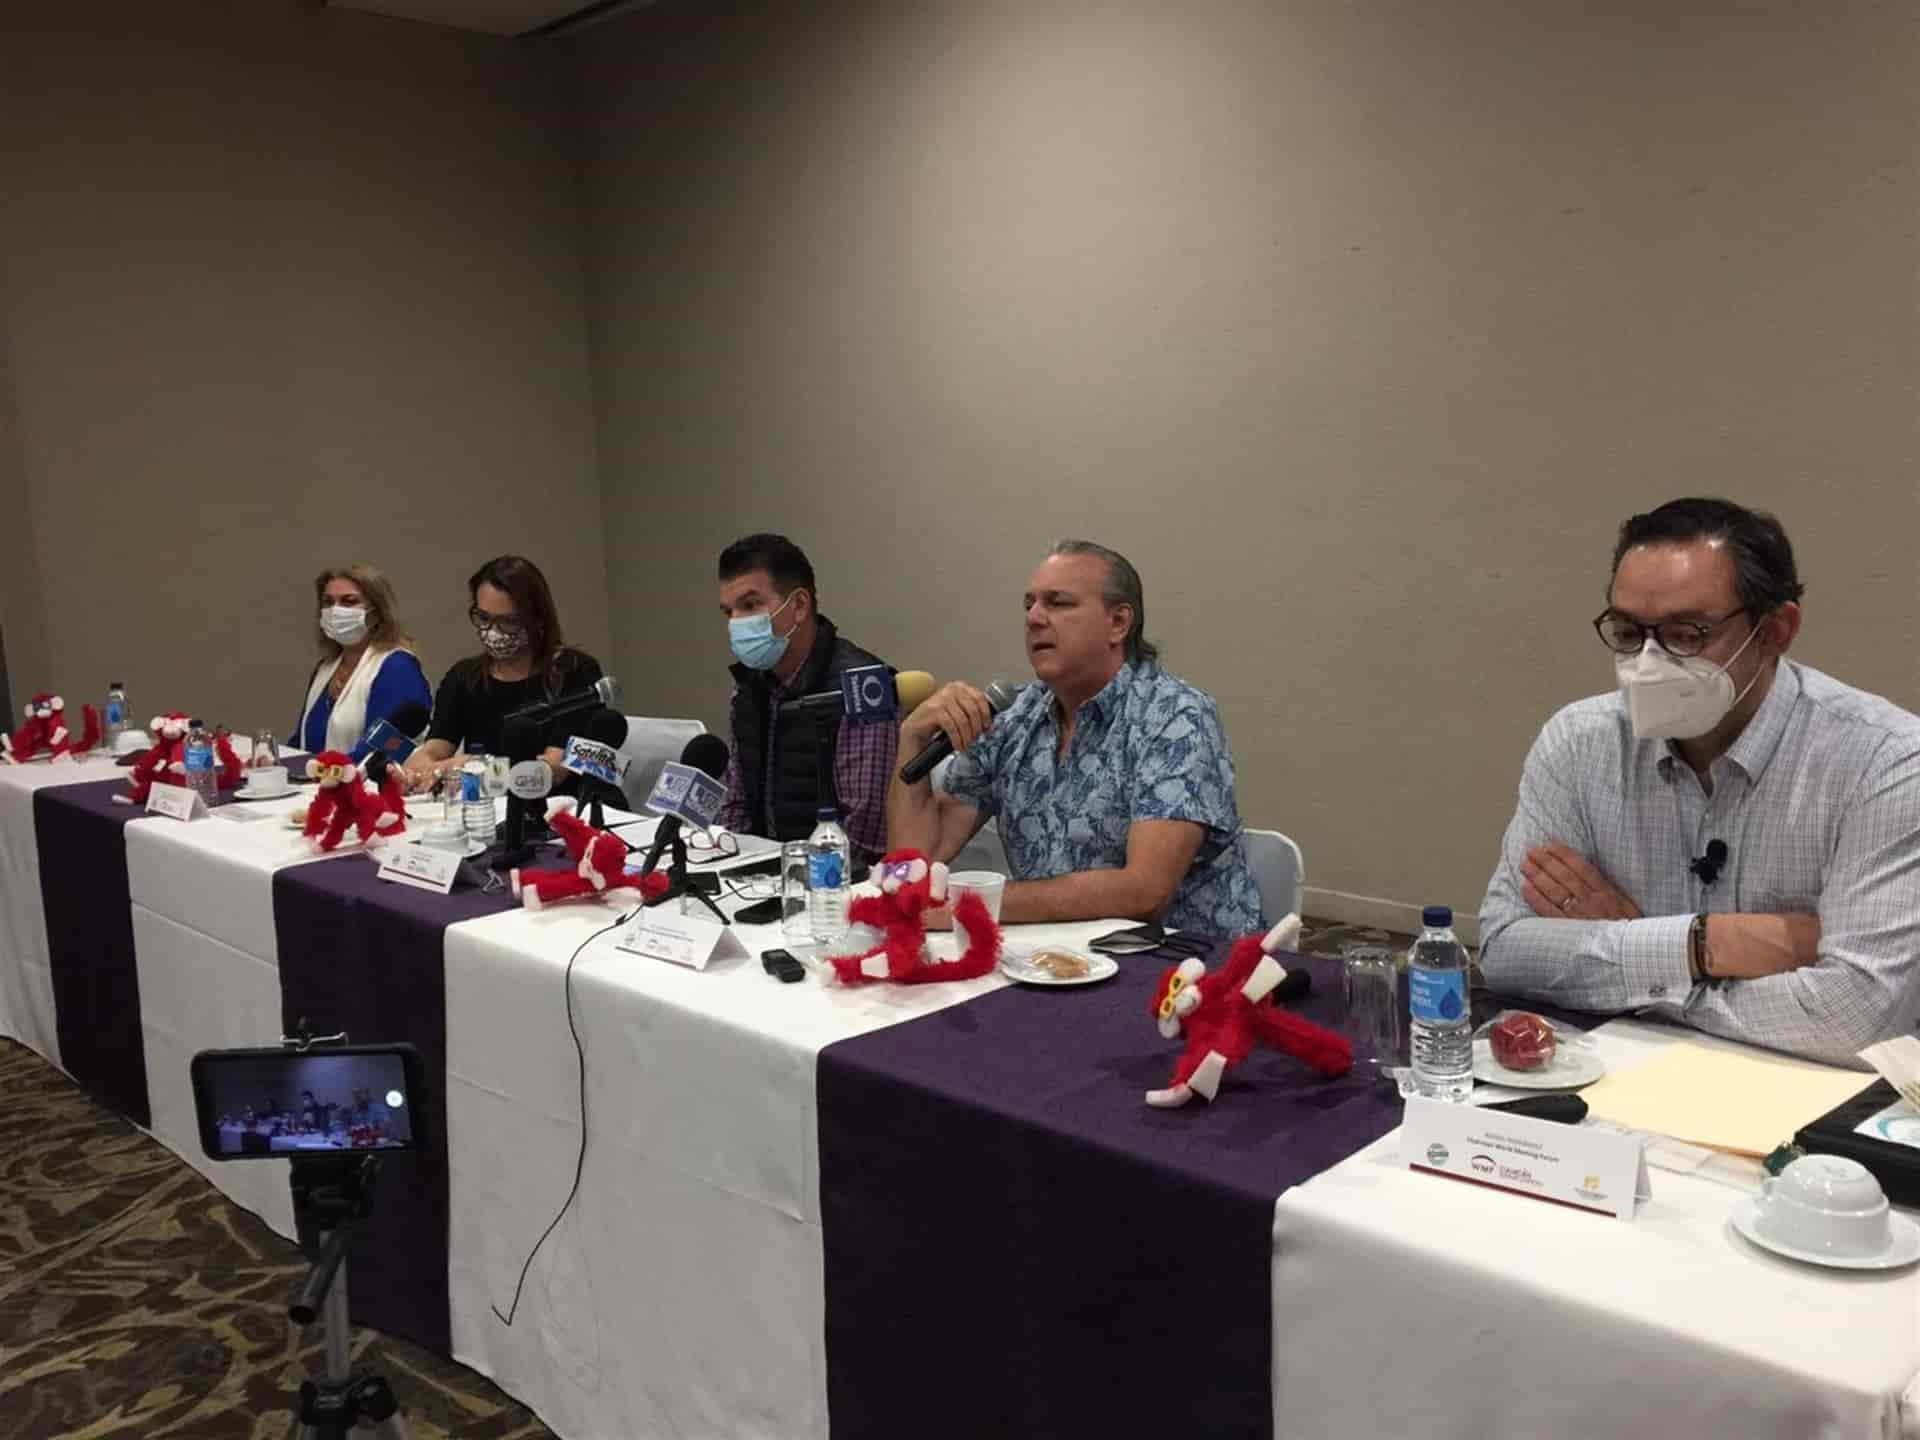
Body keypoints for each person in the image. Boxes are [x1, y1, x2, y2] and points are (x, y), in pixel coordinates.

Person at [1479, 498, 1920, 1068]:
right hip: (1621, 1072)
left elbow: (1856, 1017)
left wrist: (1639, 963)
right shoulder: (1578, 741)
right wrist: (1709, 943)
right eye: (1628, 632)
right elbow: (1505, 952)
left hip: (1812, 1089)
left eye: (1686, 634)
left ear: (1775, 631)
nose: (1649, 661)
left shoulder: (1886, 759)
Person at [889, 539, 1262, 934]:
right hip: (1054, 955)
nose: (1034, 618)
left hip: (1183, 959)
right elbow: (915, 869)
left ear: (1118, 623)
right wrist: (911, 739)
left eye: (1058, 603)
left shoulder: (1175, 715)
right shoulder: (1013, 717)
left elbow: (1144, 893)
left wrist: (973, 904)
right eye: (1029, 605)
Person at [714, 534, 897, 863]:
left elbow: (864, 837)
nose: (736, 623)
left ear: (799, 605)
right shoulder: (747, 688)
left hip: (836, 879)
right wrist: (727, 863)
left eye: (750, 605)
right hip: (761, 874)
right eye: (729, 612)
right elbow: (736, 808)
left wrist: (792, 877)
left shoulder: (863, 687)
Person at [399, 556, 610, 793]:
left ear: (537, 619)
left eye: (509, 621)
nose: (493, 632)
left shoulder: (575, 670)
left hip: (558, 805)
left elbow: (554, 769)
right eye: (483, 618)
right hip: (486, 807)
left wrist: (479, 768)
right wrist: (418, 771)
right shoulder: (464, 677)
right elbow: (434, 751)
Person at [294, 565, 432, 762]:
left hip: (368, 779)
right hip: (318, 779)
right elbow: (302, 740)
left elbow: (382, 749)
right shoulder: (325, 668)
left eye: (349, 601)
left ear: (376, 612)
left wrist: (334, 771)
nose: (335, 610)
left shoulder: (397, 667)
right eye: (328, 602)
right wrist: (275, 761)